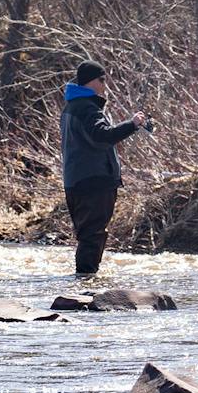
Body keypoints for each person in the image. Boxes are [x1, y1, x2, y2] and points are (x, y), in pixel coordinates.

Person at [60, 61, 146, 278]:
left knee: (87, 235)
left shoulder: (70, 108)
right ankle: (85, 286)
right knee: (92, 236)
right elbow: (103, 136)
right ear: (92, 81)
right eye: (102, 80)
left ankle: (84, 282)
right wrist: (132, 124)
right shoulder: (88, 108)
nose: (104, 85)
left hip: (74, 182)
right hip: (94, 181)